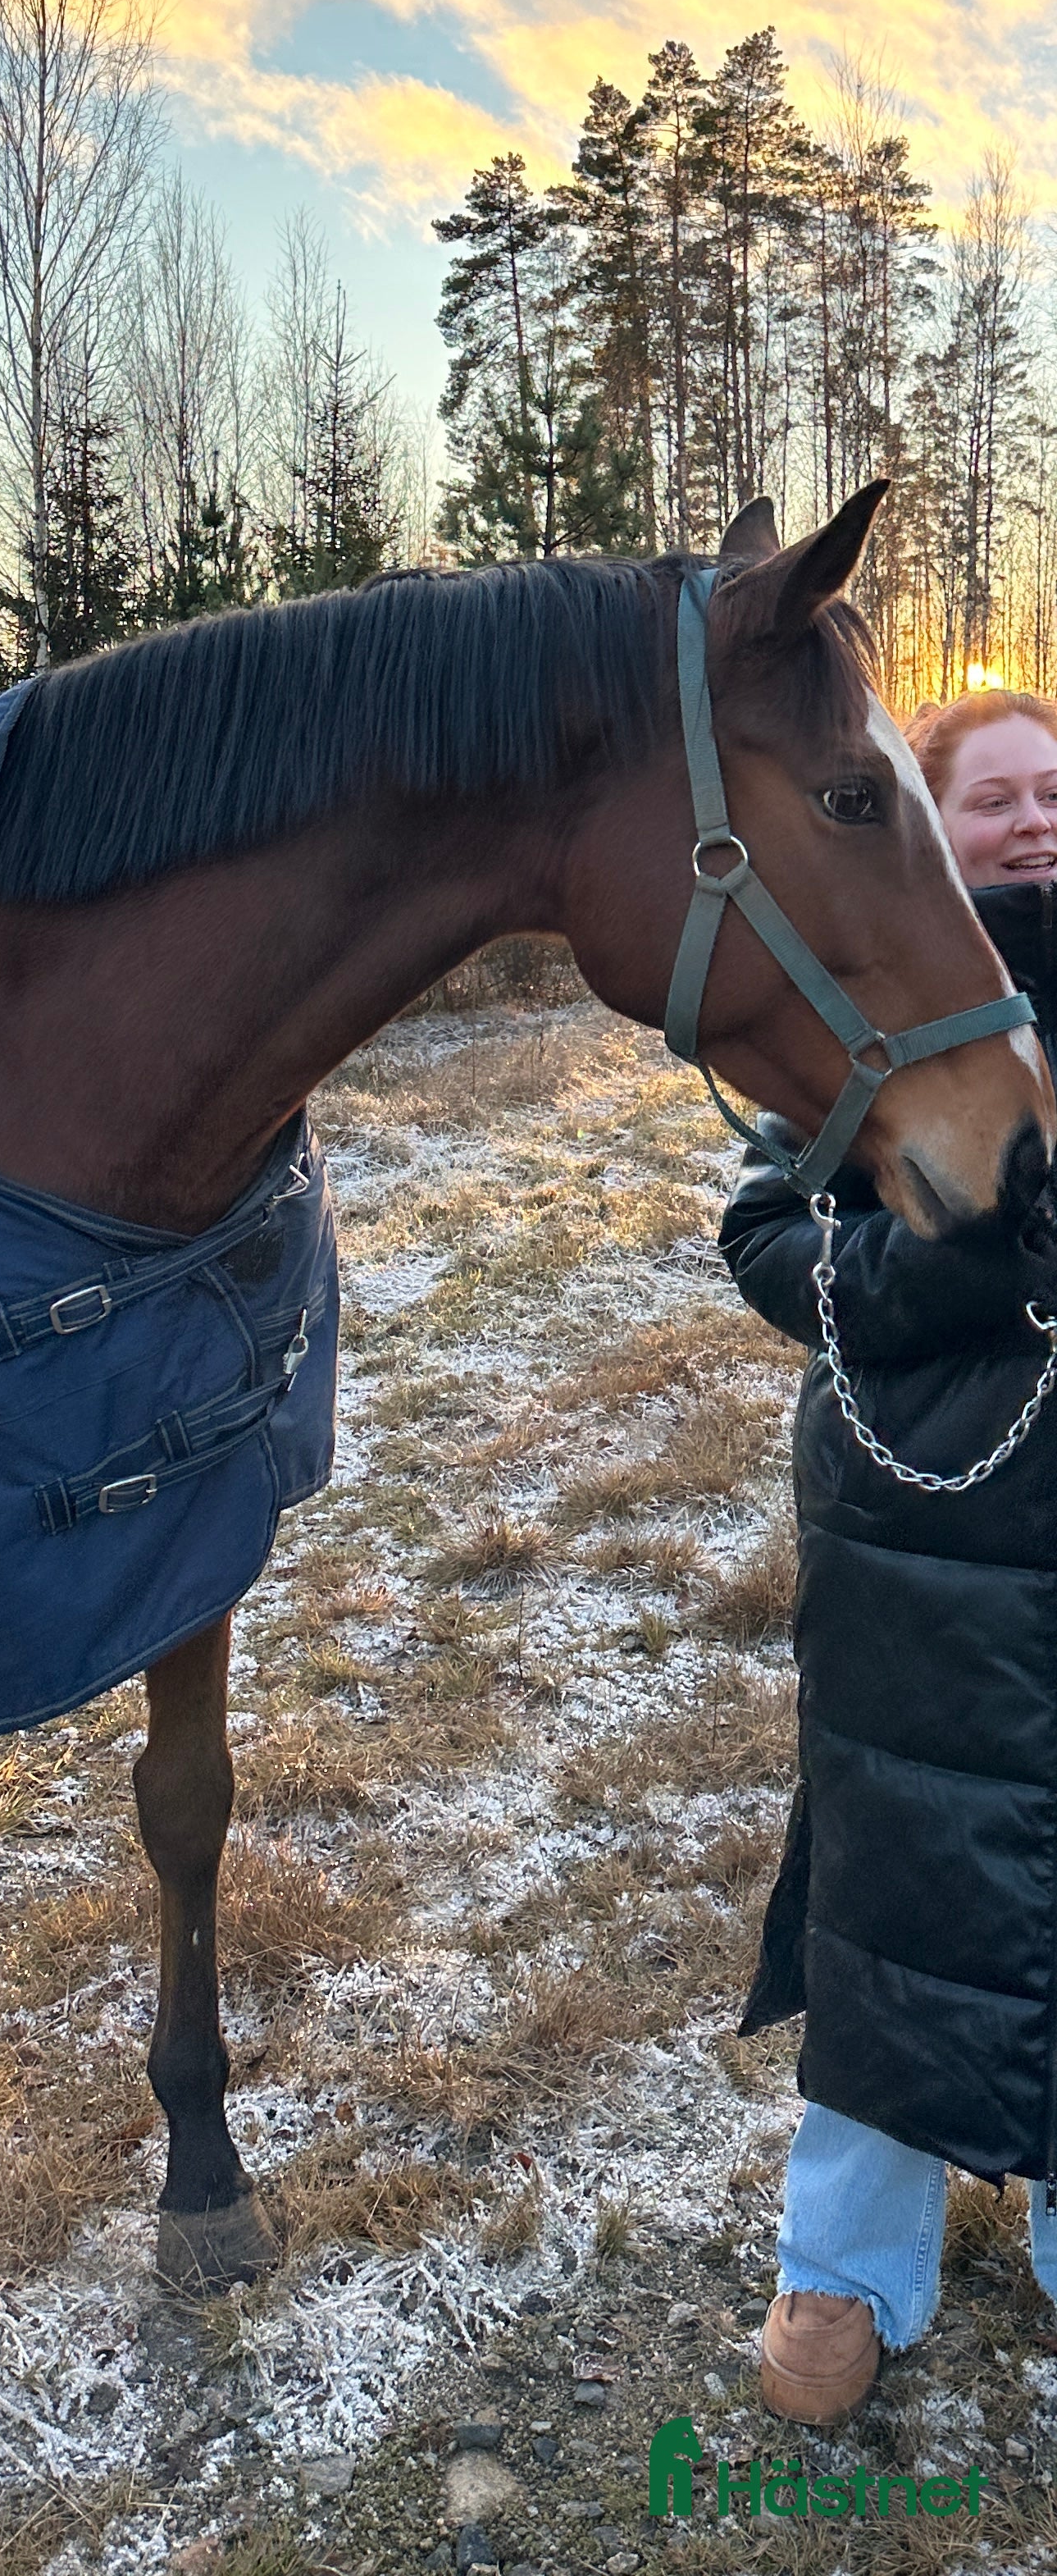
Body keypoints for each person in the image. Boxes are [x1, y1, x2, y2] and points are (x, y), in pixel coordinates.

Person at [719, 685, 1057, 2425]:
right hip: (915, 1521)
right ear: (925, 825)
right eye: (990, 794)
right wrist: (969, 1273)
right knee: (890, 1884)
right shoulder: (855, 997)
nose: (1033, 817)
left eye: (1053, 788)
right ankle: (844, 2264)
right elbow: (768, 1237)